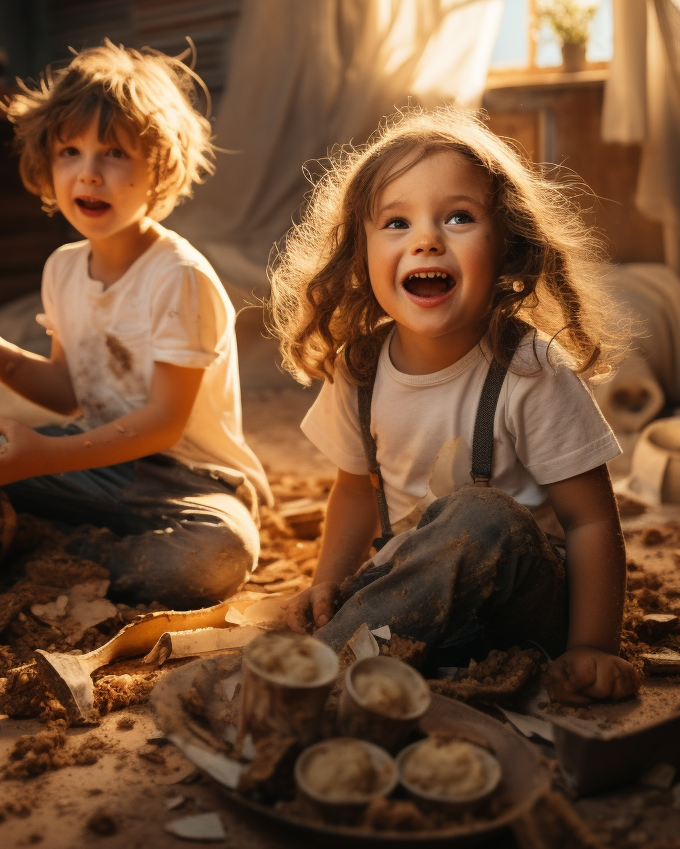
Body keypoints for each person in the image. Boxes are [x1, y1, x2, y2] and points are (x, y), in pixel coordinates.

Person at [0, 41, 269, 608]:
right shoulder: (62, 267)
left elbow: (161, 423)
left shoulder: (178, 276)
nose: (88, 174)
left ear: (158, 167)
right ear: (46, 163)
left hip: (184, 483)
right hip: (89, 462)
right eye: (69, 153)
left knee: (213, 556)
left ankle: (33, 551)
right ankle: (45, 545)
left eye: (113, 154)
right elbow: (67, 392)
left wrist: (43, 458)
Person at [268, 107, 639, 704]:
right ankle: (360, 650)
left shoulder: (530, 371)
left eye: (459, 217)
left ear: (508, 246)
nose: (426, 239)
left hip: (523, 608)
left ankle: (319, 672)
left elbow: (591, 521)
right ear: (358, 253)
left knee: (479, 517)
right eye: (396, 222)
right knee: (385, 571)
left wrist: (594, 645)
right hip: (417, 602)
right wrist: (328, 582)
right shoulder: (360, 370)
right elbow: (358, 490)